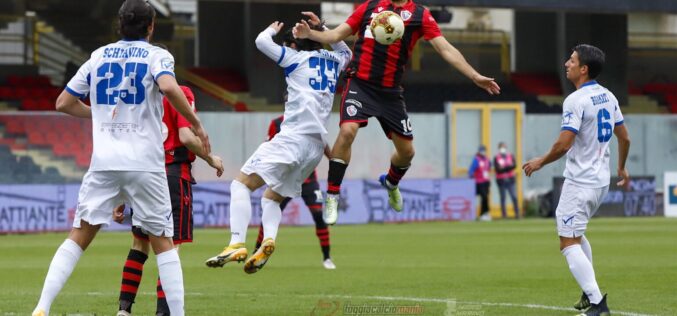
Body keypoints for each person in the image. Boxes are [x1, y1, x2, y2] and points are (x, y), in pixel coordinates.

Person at [31, 1, 210, 315]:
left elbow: (63, 103)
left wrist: (100, 116)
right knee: (163, 242)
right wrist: (196, 123)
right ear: (151, 26)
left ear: (119, 25)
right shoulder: (157, 55)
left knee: (78, 237)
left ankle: (42, 307)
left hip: (105, 163)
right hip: (145, 164)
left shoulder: (97, 56)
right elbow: (168, 85)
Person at [292, 0, 501, 225]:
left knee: (407, 152)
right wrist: (311, 33)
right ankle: (332, 195)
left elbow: (445, 48)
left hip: (390, 93)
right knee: (347, 131)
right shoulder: (370, 7)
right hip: (360, 85)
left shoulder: (420, 15)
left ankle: (391, 183)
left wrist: (474, 76)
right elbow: (335, 36)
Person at [204, 17, 351, 274]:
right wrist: (321, 28)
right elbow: (345, 49)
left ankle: (236, 242)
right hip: (315, 148)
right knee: (272, 198)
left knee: (240, 185)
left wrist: (273, 28)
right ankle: (268, 240)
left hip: (292, 138)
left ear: (297, 45)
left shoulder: (295, 60)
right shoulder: (335, 62)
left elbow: (261, 41)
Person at [523, 44, 630, 316]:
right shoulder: (608, 96)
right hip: (600, 182)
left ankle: (597, 304)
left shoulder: (575, 100)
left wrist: (539, 161)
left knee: (567, 242)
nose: (566, 63)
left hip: (580, 183)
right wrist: (622, 167)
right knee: (576, 234)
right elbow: (625, 137)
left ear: (583, 69)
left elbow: (563, 145)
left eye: (571, 60)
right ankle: (588, 289)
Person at [115, 85, 224, 316]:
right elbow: (185, 136)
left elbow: (129, 146)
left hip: (142, 177)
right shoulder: (180, 92)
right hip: (172, 176)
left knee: (139, 245)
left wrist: (122, 194)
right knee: (170, 251)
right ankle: (163, 313)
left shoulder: (139, 98)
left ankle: (124, 311)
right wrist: (210, 158)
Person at [254, 115, 336, 270]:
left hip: (308, 180)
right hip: (284, 180)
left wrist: (333, 160)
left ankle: (327, 258)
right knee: (269, 215)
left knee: (319, 215)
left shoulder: (311, 120)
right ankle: (256, 252)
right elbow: (268, 145)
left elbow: (322, 144)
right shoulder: (277, 123)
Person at [493, 142, 519, 219]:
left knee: (514, 196)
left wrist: (504, 168)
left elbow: (514, 165)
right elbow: (498, 170)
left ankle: (517, 213)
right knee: (503, 198)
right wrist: (508, 167)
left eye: (504, 147)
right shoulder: (496, 157)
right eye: (501, 147)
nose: (503, 149)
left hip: (510, 180)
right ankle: (504, 214)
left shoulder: (510, 156)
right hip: (501, 180)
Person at [468, 145, 491, 221]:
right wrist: (471, 176)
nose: (483, 152)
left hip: (486, 181)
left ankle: (484, 214)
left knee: (485, 198)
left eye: (484, 150)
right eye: (481, 150)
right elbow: (471, 170)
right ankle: (483, 213)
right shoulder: (476, 160)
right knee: (484, 197)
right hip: (479, 182)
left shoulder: (487, 160)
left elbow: (489, 168)